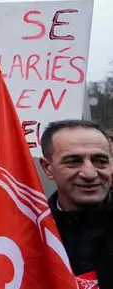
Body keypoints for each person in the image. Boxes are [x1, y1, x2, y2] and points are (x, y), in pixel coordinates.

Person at [40, 120, 112, 286]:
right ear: (47, 168)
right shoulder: (28, 233)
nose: (89, 173)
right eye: (73, 161)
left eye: (100, 160)